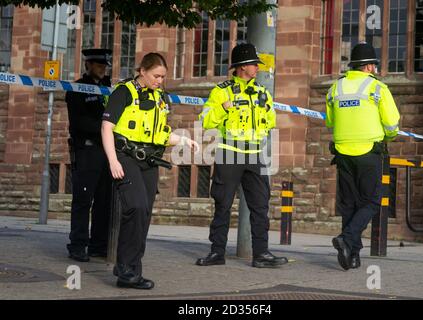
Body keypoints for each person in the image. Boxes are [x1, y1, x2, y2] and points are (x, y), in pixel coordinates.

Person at [102, 52, 198, 289]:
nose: (160, 80)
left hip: (150, 159)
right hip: (125, 155)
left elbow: (159, 134)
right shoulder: (124, 92)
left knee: (143, 215)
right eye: (156, 75)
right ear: (142, 71)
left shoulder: (160, 98)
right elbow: (106, 128)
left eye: (163, 77)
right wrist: (113, 161)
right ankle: (125, 268)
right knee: (136, 206)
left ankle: (130, 269)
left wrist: (184, 140)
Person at [196, 43, 288, 268]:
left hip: (255, 155)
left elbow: (272, 120)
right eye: (254, 64)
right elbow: (206, 120)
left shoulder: (262, 92)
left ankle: (261, 254)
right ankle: (217, 252)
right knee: (223, 205)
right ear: (242, 67)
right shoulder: (221, 91)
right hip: (230, 153)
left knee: (260, 206)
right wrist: (223, 109)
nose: (257, 67)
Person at [326, 42, 400, 270]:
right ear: (368, 66)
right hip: (369, 151)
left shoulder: (335, 88)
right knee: (371, 201)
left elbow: (330, 122)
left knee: (349, 204)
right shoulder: (377, 88)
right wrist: (389, 136)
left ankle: (352, 255)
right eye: (374, 66)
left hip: (343, 153)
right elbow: (391, 123)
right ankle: (346, 239)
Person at [66, 48, 113, 262]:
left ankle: (98, 245)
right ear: (88, 65)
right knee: (83, 199)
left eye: (104, 65)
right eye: (98, 65)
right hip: (87, 149)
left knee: (104, 200)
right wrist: (104, 128)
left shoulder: (108, 88)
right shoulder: (77, 88)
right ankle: (78, 245)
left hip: (106, 151)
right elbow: (77, 122)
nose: (103, 68)